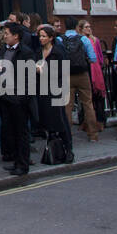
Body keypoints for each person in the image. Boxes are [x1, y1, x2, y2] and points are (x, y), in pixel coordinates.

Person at [0, 23, 35, 177]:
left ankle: (23, 164)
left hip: (18, 99)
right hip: (5, 98)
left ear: (16, 36)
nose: (4, 36)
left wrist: (21, 98)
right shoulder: (4, 50)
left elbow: (29, 77)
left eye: (7, 33)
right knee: (10, 131)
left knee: (21, 133)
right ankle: (15, 161)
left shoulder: (26, 52)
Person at [35, 24, 73, 160]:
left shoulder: (58, 51)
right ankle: (54, 151)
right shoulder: (38, 51)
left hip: (56, 89)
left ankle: (68, 149)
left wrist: (41, 70)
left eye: (44, 36)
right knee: (48, 119)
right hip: (43, 89)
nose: (41, 39)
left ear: (51, 38)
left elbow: (60, 71)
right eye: (40, 36)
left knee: (60, 119)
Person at [62, 18, 100, 142]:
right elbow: (93, 58)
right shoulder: (83, 39)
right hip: (82, 74)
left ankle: (68, 135)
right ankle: (93, 134)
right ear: (76, 26)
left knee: (67, 106)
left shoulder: (59, 40)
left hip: (67, 74)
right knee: (88, 104)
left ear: (65, 26)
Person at [81, 21, 108, 126]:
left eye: (89, 26)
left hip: (96, 70)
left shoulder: (95, 40)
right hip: (88, 69)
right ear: (81, 29)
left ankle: (100, 120)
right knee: (89, 97)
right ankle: (89, 121)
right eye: (86, 27)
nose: (88, 29)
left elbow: (100, 55)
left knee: (98, 97)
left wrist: (101, 65)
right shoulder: (81, 40)